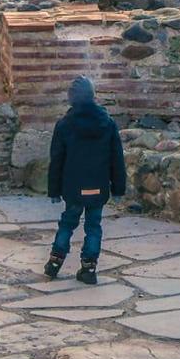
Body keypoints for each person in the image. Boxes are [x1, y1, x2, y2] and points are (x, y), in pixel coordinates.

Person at [44, 75, 127, 286]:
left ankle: (55, 262)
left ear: (71, 98)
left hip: (73, 188)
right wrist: (118, 188)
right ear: (93, 96)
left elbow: (57, 160)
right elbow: (117, 159)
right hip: (98, 187)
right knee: (93, 226)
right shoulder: (107, 123)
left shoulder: (64, 125)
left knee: (67, 223)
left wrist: (54, 190)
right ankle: (89, 269)